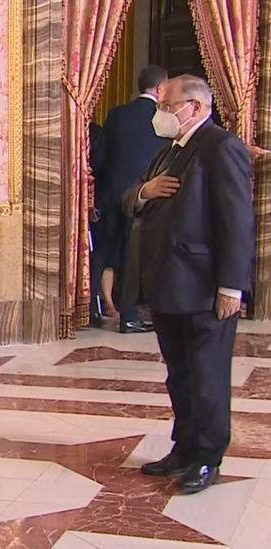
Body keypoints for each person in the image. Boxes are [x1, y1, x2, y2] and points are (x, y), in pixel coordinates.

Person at [122, 75, 254, 495]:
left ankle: (208, 456)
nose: (160, 113)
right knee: (179, 374)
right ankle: (185, 446)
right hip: (166, 285)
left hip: (202, 287)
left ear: (194, 107)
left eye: (167, 104)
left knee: (207, 376)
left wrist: (231, 287)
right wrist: (146, 190)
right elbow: (129, 200)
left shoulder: (220, 147)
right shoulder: (168, 151)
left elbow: (236, 222)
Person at [91, 65, 169, 333]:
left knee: (100, 252)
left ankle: (91, 310)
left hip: (110, 193)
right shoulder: (164, 118)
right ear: (160, 89)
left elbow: (101, 156)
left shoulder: (116, 115)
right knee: (131, 256)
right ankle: (129, 317)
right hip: (143, 195)